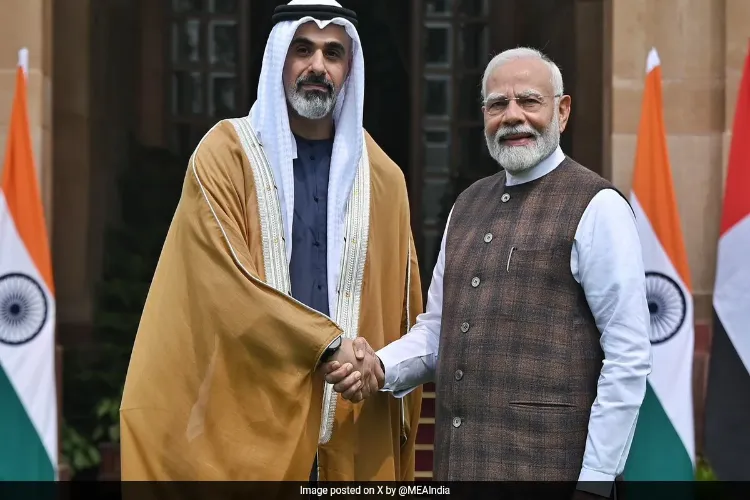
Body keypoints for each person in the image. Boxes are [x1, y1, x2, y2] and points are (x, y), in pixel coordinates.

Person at [119, 0, 423, 482]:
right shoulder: (226, 155)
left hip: (352, 421)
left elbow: (397, 310)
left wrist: (370, 364)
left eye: (333, 53)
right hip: (248, 419)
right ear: (278, 57)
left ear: (349, 68)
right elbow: (222, 284)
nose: (317, 66)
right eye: (302, 49)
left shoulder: (384, 177)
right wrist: (325, 345)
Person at [327, 47, 652, 496]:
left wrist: (595, 482)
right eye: (498, 104)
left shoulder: (598, 207)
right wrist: (378, 366)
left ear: (562, 111)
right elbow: (437, 332)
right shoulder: (466, 205)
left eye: (529, 102)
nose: (513, 116)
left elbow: (628, 357)